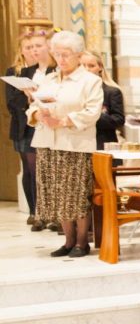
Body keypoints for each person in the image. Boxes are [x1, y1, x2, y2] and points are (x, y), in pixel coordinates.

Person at [27, 31, 102, 258]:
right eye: (57, 54)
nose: (60, 59)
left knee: (76, 194)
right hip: (48, 143)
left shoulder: (90, 81)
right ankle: (68, 241)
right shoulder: (48, 79)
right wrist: (37, 115)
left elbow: (92, 112)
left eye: (66, 54)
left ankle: (82, 242)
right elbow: (32, 107)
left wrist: (62, 121)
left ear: (78, 55)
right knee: (58, 195)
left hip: (75, 145)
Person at [7, 28, 54, 228]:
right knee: (29, 170)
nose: (33, 50)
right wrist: (28, 101)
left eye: (37, 46)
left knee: (43, 170)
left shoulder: (51, 71)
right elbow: (11, 101)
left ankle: (48, 212)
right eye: (29, 47)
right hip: (24, 126)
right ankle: (35, 211)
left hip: (46, 124)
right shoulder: (19, 72)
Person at [79, 50, 124, 148]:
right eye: (83, 65)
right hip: (79, 144)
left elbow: (119, 120)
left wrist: (93, 114)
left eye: (91, 66)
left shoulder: (112, 92)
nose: (87, 69)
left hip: (102, 144)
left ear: (100, 68)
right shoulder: (73, 92)